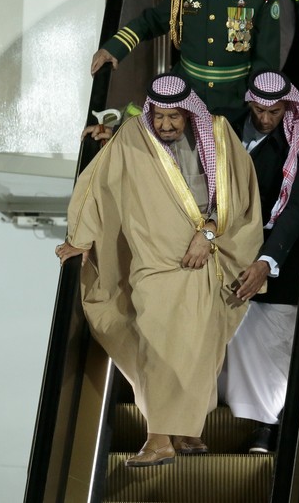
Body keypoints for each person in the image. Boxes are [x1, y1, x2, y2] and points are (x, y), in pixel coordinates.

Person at [55, 73, 263, 467]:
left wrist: (209, 234)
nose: (166, 125)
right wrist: (81, 240)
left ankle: (183, 432)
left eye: (174, 117)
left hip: (205, 260)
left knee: (199, 349)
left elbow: (239, 194)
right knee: (155, 345)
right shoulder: (134, 135)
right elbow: (96, 185)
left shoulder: (217, 134)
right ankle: (159, 438)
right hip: (153, 264)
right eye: (160, 116)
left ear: (189, 113)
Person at [222, 70, 299, 453]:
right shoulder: (222, 130)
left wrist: (266, 261)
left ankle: (266, 428)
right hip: (221, 252)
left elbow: (296, 209)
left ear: (288, 107)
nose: (267, 118)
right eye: (260, 110)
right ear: (249, 102)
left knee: (267, 346)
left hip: (277, 261)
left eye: (275, 111)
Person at [90, 0, 280, 124]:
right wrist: (113, 48)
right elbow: (151, 21)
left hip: (234, 99)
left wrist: (259, 101)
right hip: (186, 93)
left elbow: (266, 59)